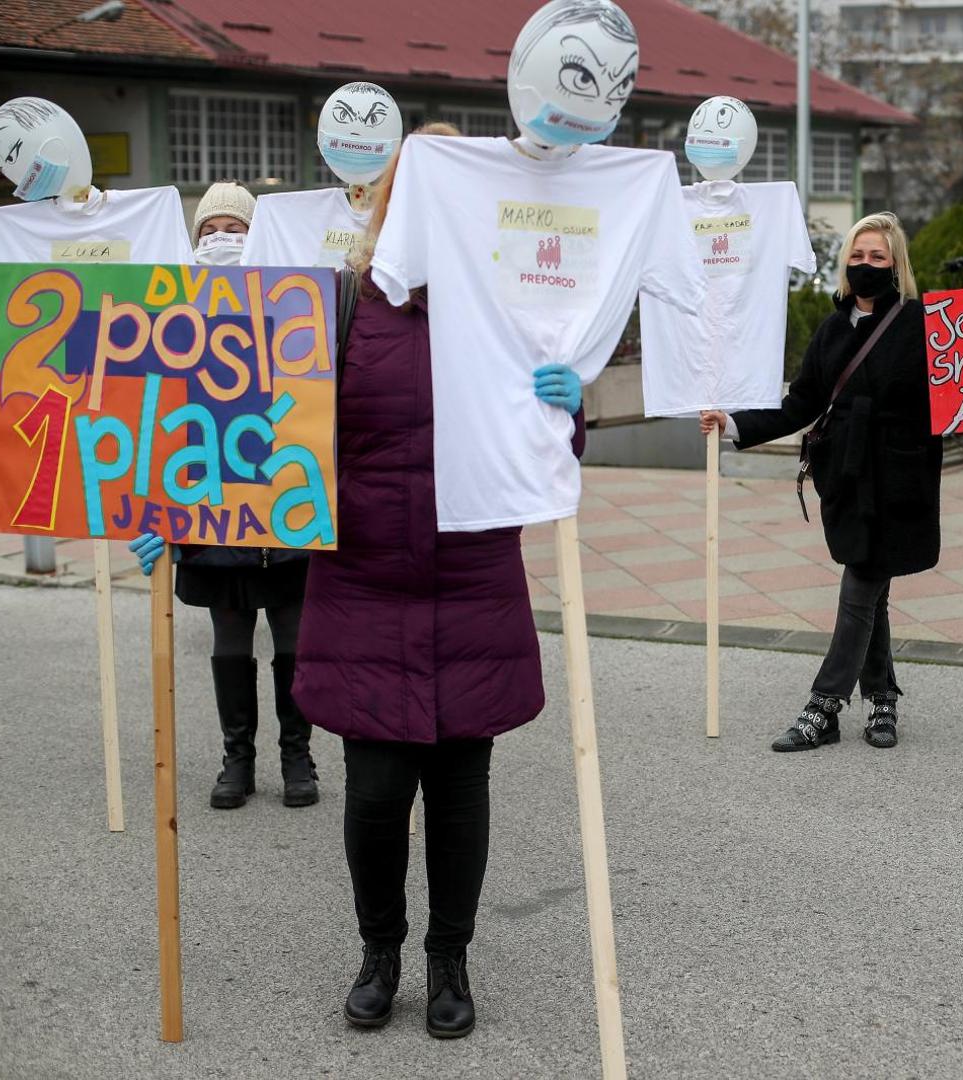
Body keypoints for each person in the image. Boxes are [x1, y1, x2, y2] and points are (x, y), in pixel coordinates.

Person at [290, 122, 584, 1040]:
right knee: (374, 795)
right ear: (394, 197)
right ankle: (379, 951)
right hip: (363, 587)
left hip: (471, 583)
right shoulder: (334, 308)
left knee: (461, 794)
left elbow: (546, 454)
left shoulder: (511, 312)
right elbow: (259, 443)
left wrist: (568, 411)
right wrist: (178, 515)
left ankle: (449, 957)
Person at [701, 211, 963, 753]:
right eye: (857, 256)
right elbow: (801, 404)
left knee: (862, 580)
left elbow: (961, 398)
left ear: (896, 263)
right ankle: (882, 700)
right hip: (848, 477)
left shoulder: (923, 323)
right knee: (870, 587)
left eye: (877, 256)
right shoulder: (832, 329)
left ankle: (824, 705)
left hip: (902, 477)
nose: (865, 265)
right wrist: (733, 424)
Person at [129, 181, 318, 811]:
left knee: (294, 635)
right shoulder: (176, 313)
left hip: (286, 501)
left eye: (235, 228)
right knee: (230, 637)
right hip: (212, 506)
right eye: (210, 230)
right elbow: (152, 406)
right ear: (193, 238)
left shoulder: (292, 306)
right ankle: (238, 759)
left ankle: (299, 757)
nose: (222, 239)